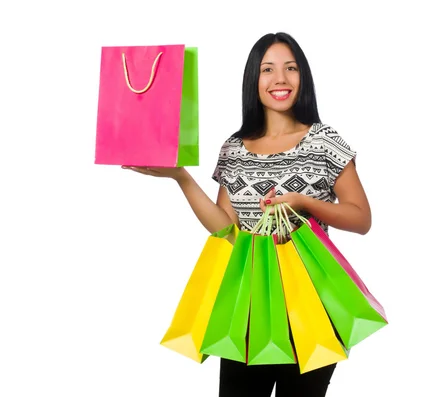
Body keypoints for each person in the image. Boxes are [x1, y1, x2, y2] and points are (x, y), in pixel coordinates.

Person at [123, 32, 372, 397]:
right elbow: (227, 230)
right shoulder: (234, 148)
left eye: (291, 68)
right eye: (267, 69)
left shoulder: (325, 141)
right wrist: (181, 177)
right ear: (253, 79)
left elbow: (361, 218)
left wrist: (303, 202)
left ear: (303, 77)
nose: (280, 79)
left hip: (312, 308)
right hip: (249, 306)